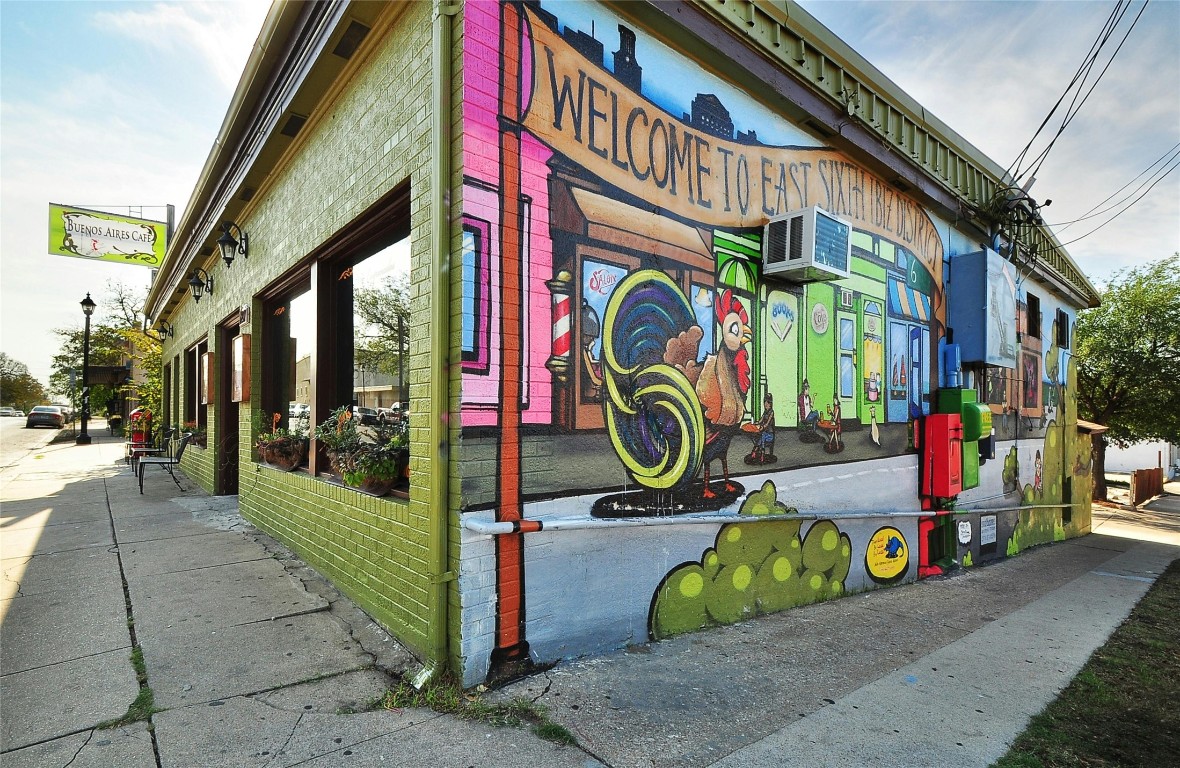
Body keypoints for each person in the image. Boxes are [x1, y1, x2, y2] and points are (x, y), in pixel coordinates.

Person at [749, 392, 775, 462]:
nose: (765, 404)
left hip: (770, 434)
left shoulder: (771, 412)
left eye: (767, 403)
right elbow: (760, 421)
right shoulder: (765, 412)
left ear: (770, 404)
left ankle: (757, 452)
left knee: (762, 435)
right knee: (760, 436)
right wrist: (754, 423)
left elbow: (767, 424)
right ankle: (758, 452)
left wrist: (762, 427)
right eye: (764, 402)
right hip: (764, 433)